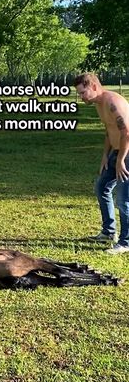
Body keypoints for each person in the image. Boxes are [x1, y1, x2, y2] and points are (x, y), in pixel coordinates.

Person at [74, 73, 129, 254]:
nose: (81, 97)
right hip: (116, 152)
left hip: (126, 153)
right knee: (102, 186)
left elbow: (126, 132)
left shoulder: (113, 102)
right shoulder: (99, 104)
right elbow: (109, 130)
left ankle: (126, 242)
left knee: (123, 199)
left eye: (83, 93)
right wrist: (106, 154)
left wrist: (121, 160)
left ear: (94, 87)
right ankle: (108, 232)